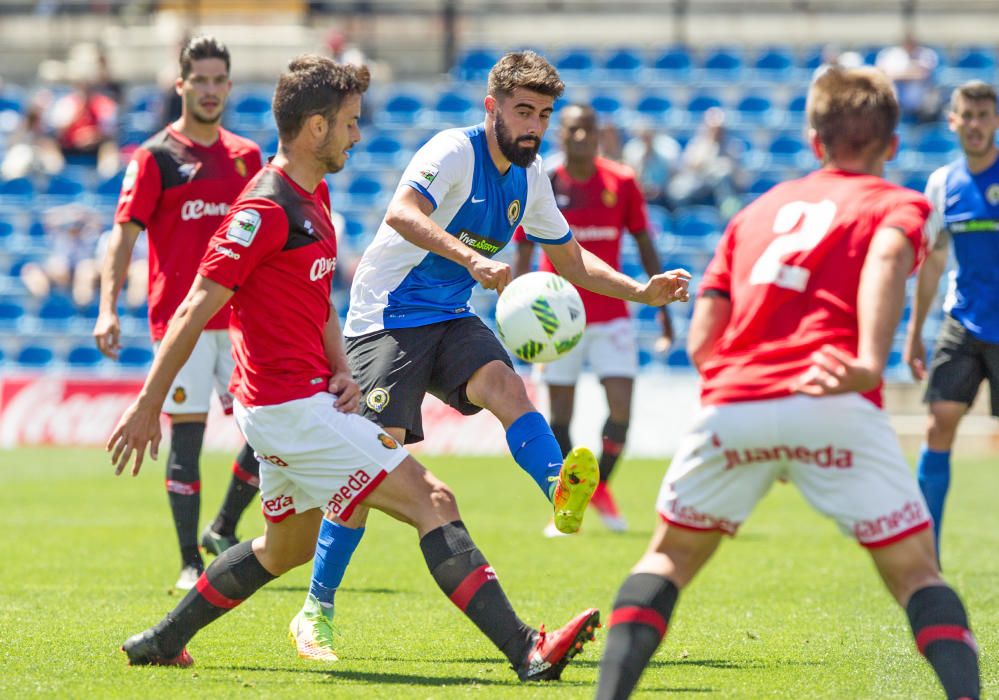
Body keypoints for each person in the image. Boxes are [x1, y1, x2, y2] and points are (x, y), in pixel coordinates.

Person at [109, 55, 601, 682]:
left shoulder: (313, 197)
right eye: (349, 123)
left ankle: (162, 639)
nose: (358, 135)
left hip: (301, 400)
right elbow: (192, 311)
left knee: (282, 548)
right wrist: (149, 402)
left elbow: (316, 303)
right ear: (316, 128)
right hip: (288, 410)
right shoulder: (262, 211)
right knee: (434, 499)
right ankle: (528, 649)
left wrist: (340, 367)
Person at [292, 50, 690, 662]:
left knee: (506, 384)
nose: (534, 126)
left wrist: (641, 290)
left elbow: (571, 259)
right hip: (388, 316)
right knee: (371, 468)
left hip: (449, 316)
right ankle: (315, 607)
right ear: (492, 107)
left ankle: (561, 489)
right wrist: (472, 259)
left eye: (543, 115)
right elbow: (400, 213)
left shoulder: (531, 179)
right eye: (523, 111)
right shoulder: (452, 151)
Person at [596, 66, 980, 700]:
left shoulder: (755, 212)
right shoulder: (895, 203)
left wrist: (743, 397)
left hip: (736, 401)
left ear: (813, 140)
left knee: (666, 560)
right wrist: (866, 359)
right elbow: (886, 257)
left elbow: (703, 340)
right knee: (916, 575)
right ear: (891, 144)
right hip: (833, 396)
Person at [94, 35, 264, 591]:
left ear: (229, 87)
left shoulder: (247, 157)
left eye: (219, 81)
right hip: (180, 324)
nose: (211, 91)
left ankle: (222, 525)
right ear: (182, 85)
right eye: (201, 81)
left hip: (240, 322)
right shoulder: (154, 158)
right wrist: (108, 309)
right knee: (186, 443)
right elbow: (122, 241)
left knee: (270, 436)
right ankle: (191, 561)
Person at [513, 103, 675, 536]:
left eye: (587, 130)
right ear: (559, 136)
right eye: (572, 131)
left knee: (621, 408)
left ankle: (594, 488)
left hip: (611, 315)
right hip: (555, 317)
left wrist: (662, 314)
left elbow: (644, 243)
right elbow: (525, 251)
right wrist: (515, 306)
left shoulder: (620, 182)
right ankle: (571, 496)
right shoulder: (541, 181)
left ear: (598, 135)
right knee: (559, 416)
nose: (580, 137)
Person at [904, 80, 999, 563]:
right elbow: (934, 261)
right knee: (938, 426)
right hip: (962, 323)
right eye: (969, 115)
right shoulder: (942, 183)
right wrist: (915, 334)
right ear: (953, 121)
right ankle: (927, 556)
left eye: (985, 115)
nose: (976, 124)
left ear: (996, 121)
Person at [666, 107, 743, 218]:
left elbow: (739, 176)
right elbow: (692, 165)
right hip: (699, 182)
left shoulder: (731, 145)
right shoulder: (699, 142)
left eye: (719, 129)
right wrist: (710, 145)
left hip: (721, 186)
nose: (716, 132)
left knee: (722, 175)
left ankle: (728, 216)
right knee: (677, 192)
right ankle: (685, 220)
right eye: (713, 128)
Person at [875, 32, 941, 124]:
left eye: (912, 42)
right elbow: (883, 74)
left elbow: (922, 74)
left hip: (922, 107)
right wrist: (910, 73)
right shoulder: (892, 55)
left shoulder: (926, 54)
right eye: (907, 42)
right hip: (897, 104)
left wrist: (900, 75)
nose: (910, 44)